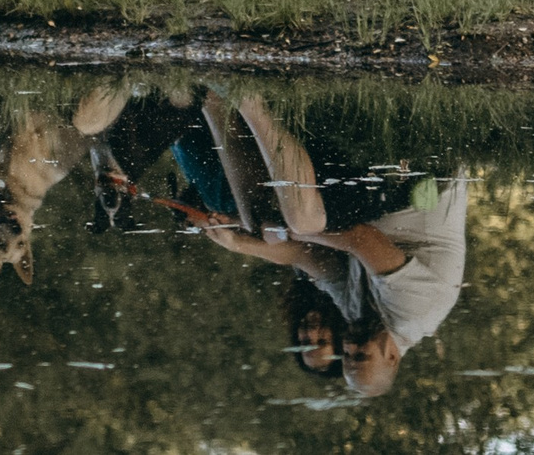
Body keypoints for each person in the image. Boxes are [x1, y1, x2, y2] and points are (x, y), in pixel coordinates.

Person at [190, 88, 469, 399]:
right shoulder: (414, 314)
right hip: (417, 180)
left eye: (347, 356)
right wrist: (288, 229)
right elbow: (361, 239)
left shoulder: (355, 315)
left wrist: (238, 241)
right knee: (301, 221)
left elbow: (306, 257)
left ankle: (211, 100)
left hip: (375, 201)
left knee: (256, 219)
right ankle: (249, 100)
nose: (349, 347)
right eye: (360, 355)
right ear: (391, 358)